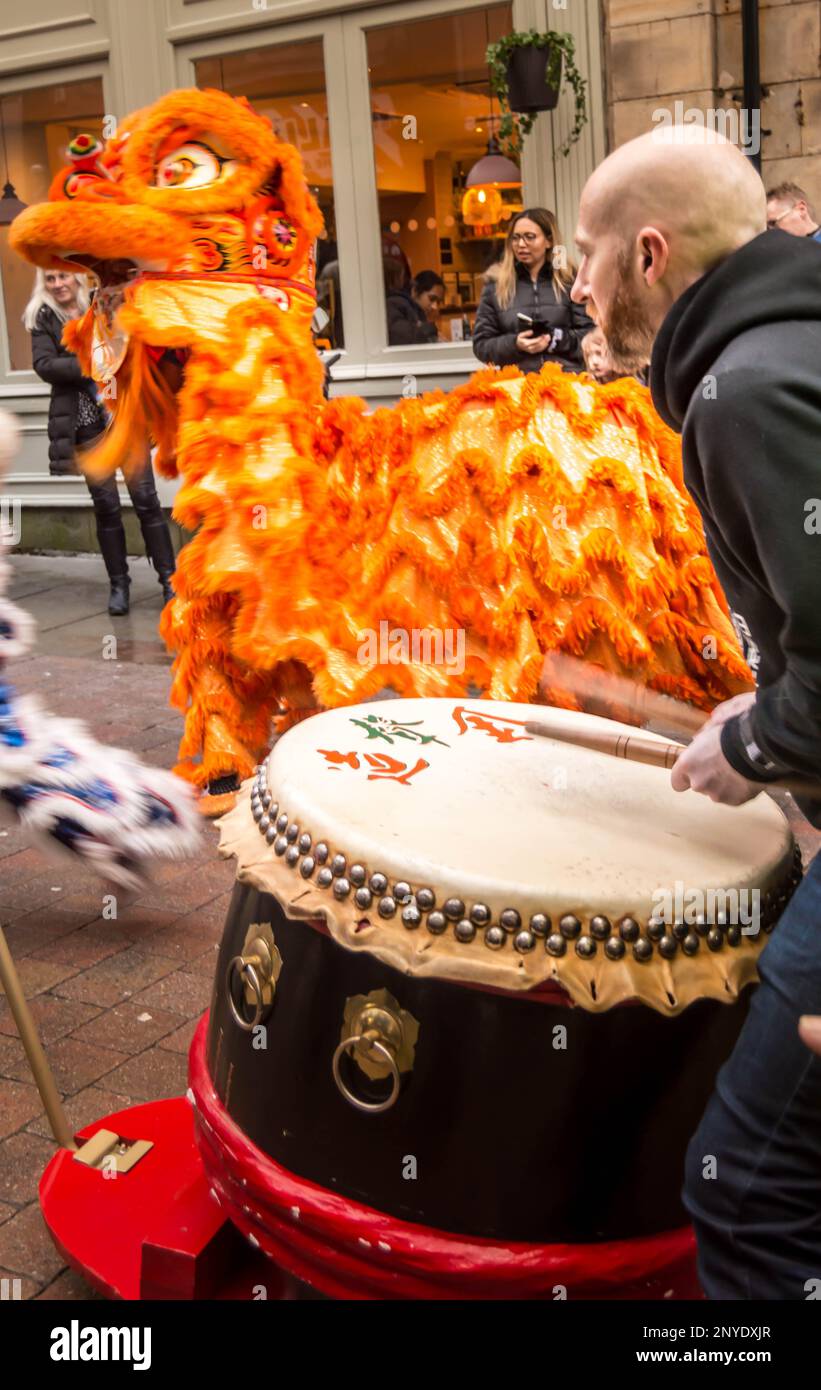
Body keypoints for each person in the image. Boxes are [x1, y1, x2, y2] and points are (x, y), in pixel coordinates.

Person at [571, 123, 821, 1300]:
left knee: (744, 1187)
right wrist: (770, 697)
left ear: (651, 254)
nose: (574, 284)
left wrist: (761, 740)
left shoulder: (745, 390)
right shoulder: (781, 350)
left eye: (587, 254)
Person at [24, 268, 176, 616]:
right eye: (50, 279)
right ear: (43, 285)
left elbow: (132, 344)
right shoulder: (42, 317)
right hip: (85, 424)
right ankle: (119, 585)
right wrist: (94, 362)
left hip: (124, 416)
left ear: (77, 278)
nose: (58, 284)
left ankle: (169, 581)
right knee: (106, 507)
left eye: (63, 276)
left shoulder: (102, 304)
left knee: (146, 500)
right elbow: (45, 365)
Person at [472, 208, 593, 374]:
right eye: (516, 238)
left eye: (530, 237)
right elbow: (481, 345)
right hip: (517, 386)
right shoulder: (496, 284)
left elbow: (591, 337)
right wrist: (515, 344)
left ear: (549, 241)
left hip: (566, 384)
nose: (521, 244)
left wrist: (555, 339)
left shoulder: (570, 280)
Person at [386, 269, 444, 346]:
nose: (434, 306)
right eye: (432, 299)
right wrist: (429, 333)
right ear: (415, 291)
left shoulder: (415, 310)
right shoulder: (396, 304)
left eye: (438, 302)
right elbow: (399, 336)